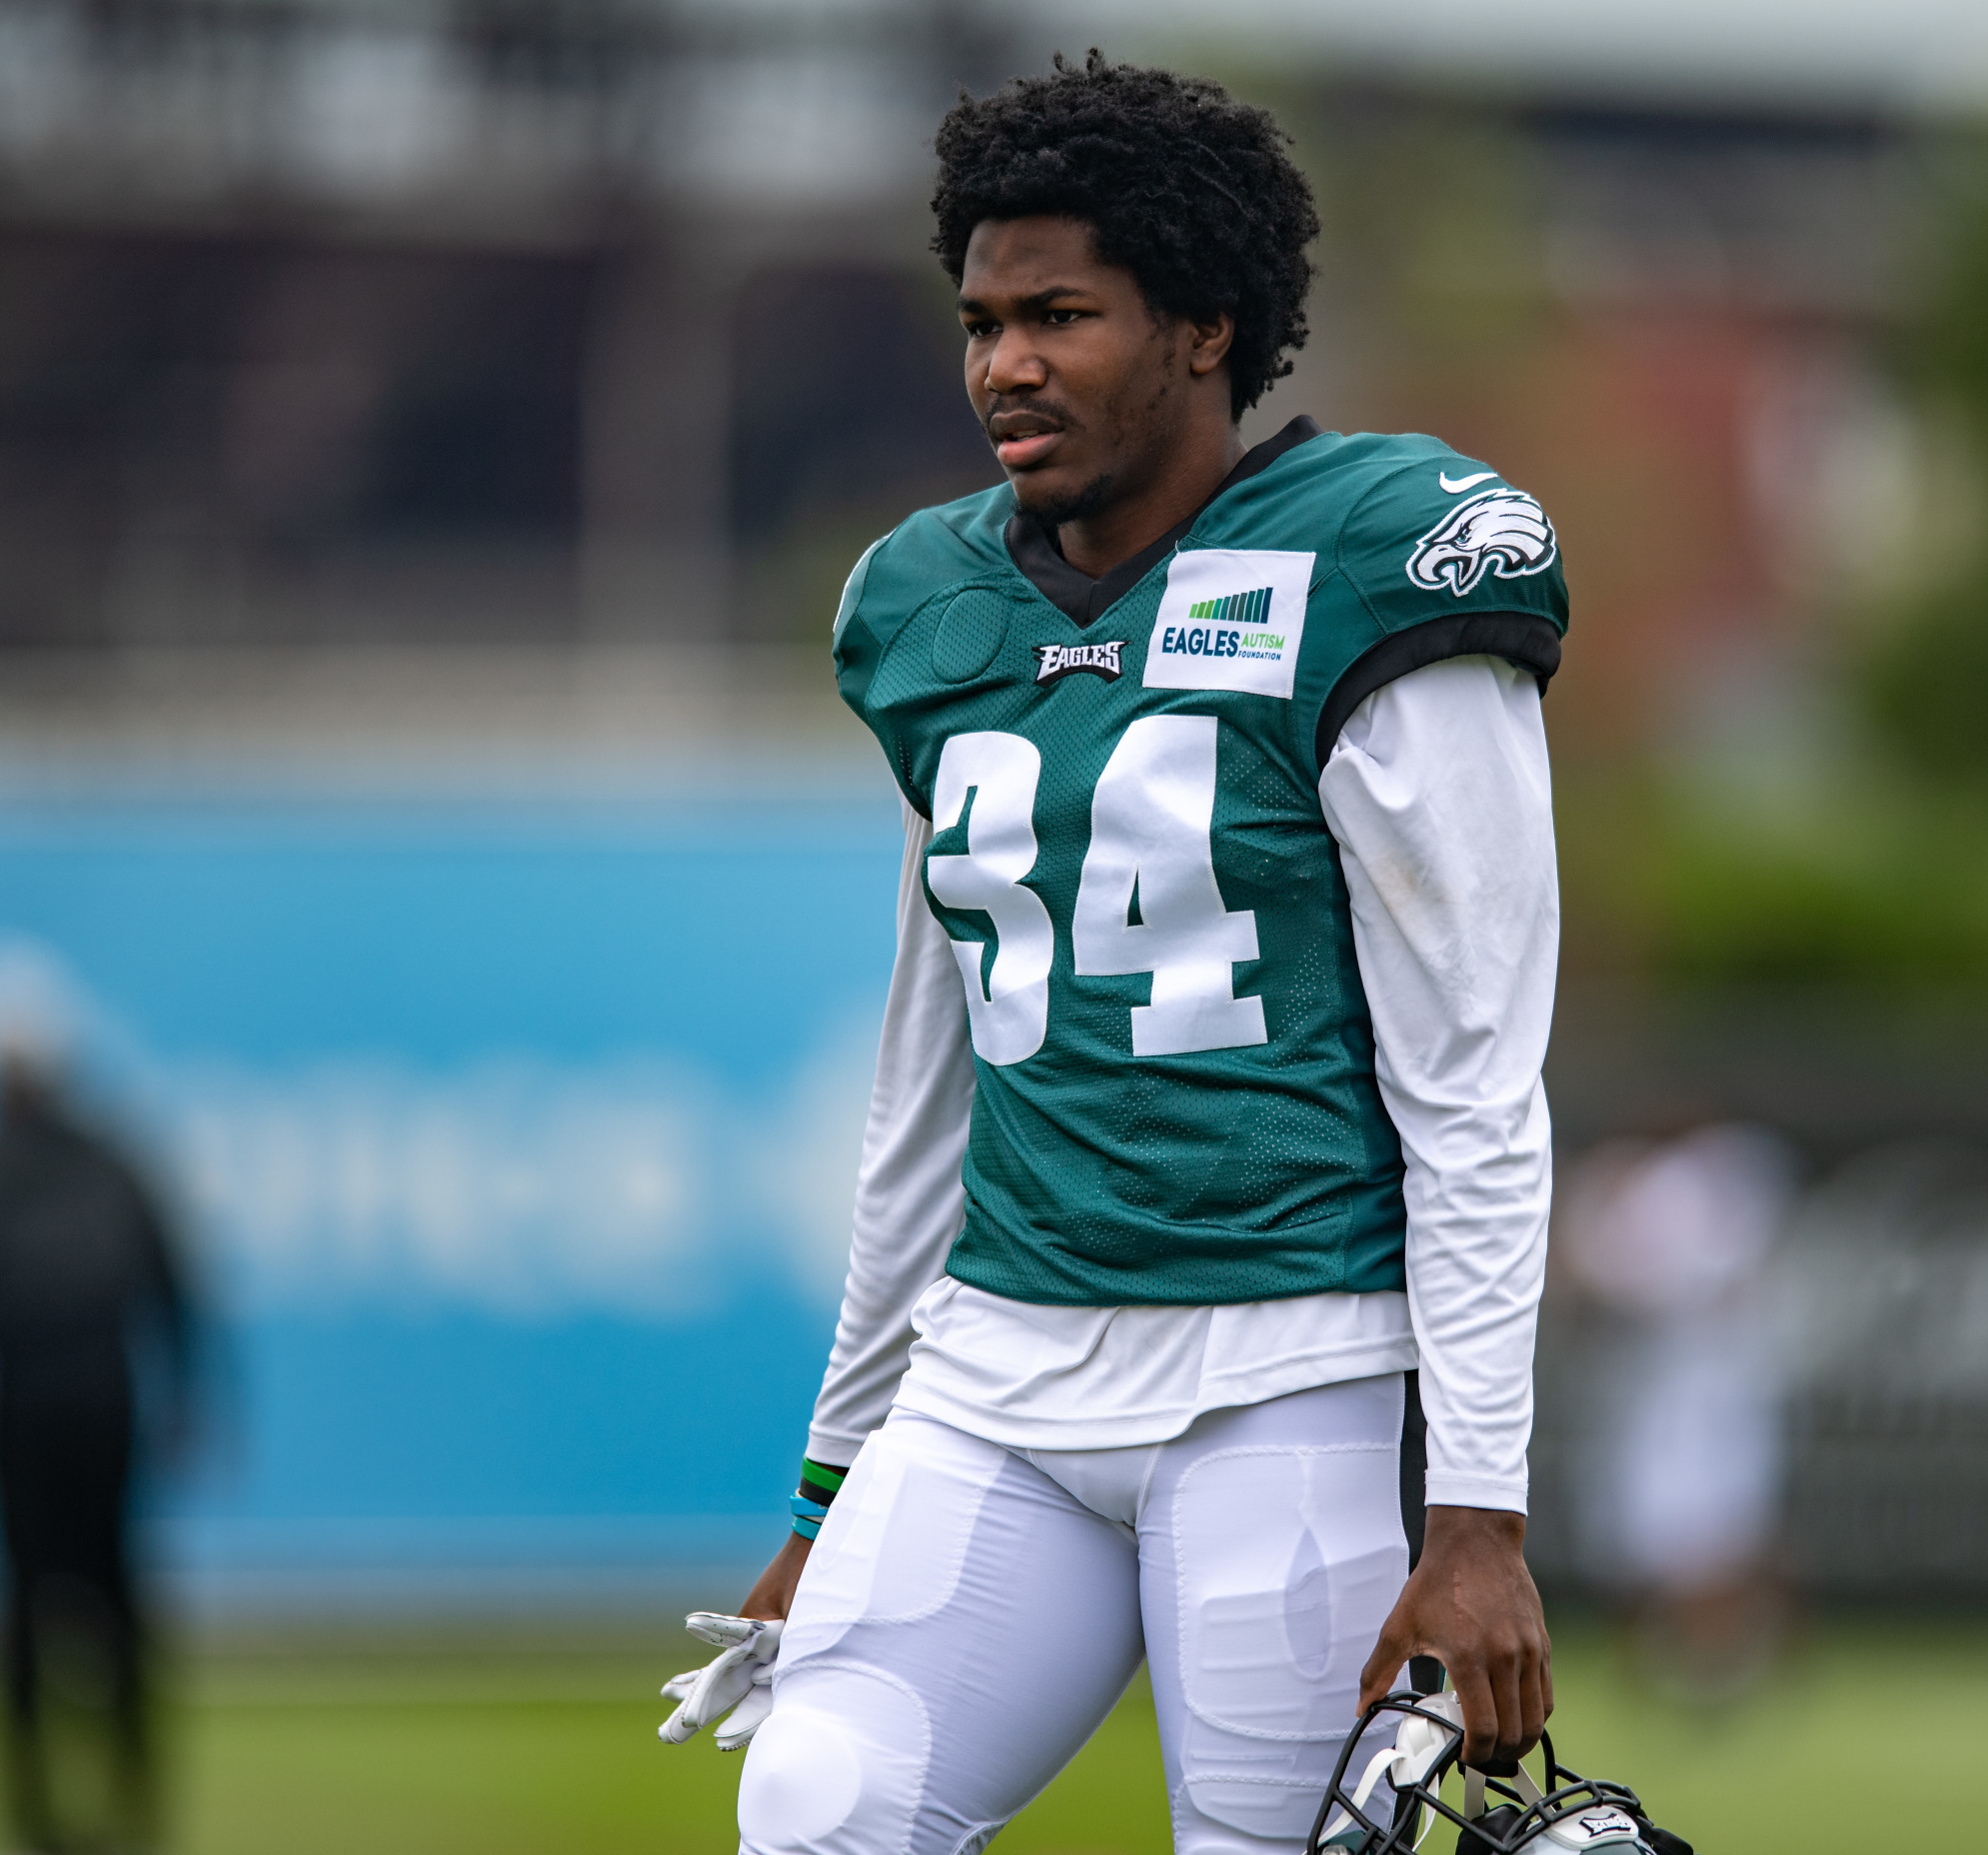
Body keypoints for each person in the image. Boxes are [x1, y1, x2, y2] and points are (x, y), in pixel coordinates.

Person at [693, 54, 1570, 1855]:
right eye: (981, 320)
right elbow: (922, 1087)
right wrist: (833, 1476)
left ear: (1200, 326)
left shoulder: (1373, 565)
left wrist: (1477, 1512)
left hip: (1278, 1374)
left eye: (1058, 314)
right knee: (817, 1800)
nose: (1002, 364)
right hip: (997, 1374)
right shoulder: (926, 608)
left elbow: (1472, 1083)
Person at [0, 1013, 196, 1855]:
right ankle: (104, 1802)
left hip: (46, 1406)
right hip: (89, 1402)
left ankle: (65, 1808)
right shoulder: (99, 1165)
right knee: (98, 1604)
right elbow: (176, 1290)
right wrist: (186, 1398)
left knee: (47, 1607)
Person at [1558, 1124, 1794, 1709]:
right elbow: (1583, 1282)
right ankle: (1670, 1667)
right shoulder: (1625, 1188)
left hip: (1709, 1397)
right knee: (1649, 1546)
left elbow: (1703, 1285)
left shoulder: (1711, 1181)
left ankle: (1731, 1663)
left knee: (1718, 1543)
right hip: (1643, 1400)